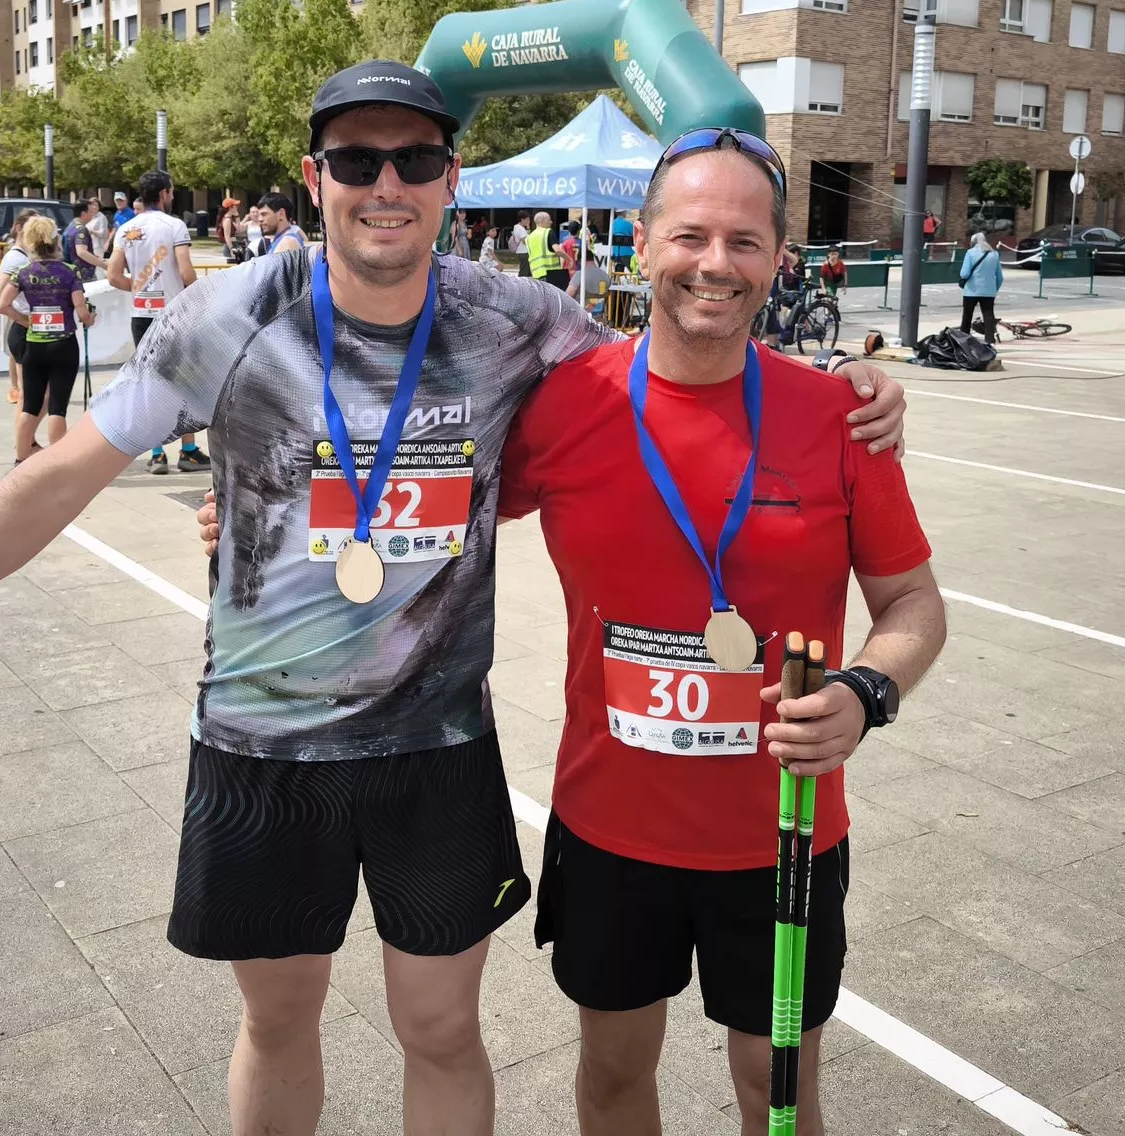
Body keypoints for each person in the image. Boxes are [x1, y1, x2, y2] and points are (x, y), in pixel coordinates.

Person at [0, 62, 906, 1136]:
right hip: (262, 745)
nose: (386, 184)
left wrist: (839, 387)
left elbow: (677, 357)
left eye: (415, 159)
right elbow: (53, 481)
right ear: (315, 179)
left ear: (451, 178)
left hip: (436, 749)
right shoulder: (225, 318)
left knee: (441, 1028)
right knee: (276, 1021)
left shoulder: (515, 320)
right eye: (357, 160)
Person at [190, 128, 919, 1136]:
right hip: (611, 829)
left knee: (776, 1088)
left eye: (744, 242)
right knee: (614, 1077)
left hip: (782, 831)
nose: (714, 263)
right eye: (689, 236)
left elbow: (912, 606)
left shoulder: (839, 415)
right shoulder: (568, 402)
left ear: (777, 259)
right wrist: (263, 513)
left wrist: (867, 691)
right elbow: (433, 490)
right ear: (640, 245)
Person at [107, 171, 209, 475]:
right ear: (164, 193)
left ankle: (157, 453)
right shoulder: (174, 225)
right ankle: (188, 451)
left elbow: (113, 276)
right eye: (172, 191)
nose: (173, 196)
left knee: (149, 386)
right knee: (186, 384)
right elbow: (186, 272)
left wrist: (140, 288)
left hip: (142, 314)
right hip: (174, 315)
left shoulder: (127, 228)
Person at [0, 215, 94, 462]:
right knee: (57, 407)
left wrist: (25, 320)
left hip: (35, 345)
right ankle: (56, 463)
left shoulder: (23, 272)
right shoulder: (69, 272)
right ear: (55, 241)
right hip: (64, 345)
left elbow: (2, 304)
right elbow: (82, 312)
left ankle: (20, 460)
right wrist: (90, 318)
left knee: (29, 405)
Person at [0, 212, 38, 408]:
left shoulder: (23, 255)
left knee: (17, 355)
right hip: (19, 313)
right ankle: (17, 390)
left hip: (21, 313)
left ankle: (17, 389)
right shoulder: (15, 258)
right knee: (18, 355)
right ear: (20, 228)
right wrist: (20, 317)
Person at [958, 229, 1002, 342]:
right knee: (988, 315)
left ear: (973, 242)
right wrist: (994, 289)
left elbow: (964, 273)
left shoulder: (970, 253)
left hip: (971, 290)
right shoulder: (994, 254)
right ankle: (990, 340)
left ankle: (964, 340)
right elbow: (1000, 277)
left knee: (967, 316)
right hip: (989, 291)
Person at [63, 197, 104, 284]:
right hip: (83, 276)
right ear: (83, 213)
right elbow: (81, 252)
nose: (92, 215)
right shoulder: (81, 229)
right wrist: (104, 265)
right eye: (90, 212)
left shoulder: (70, 226)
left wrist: (95, 257)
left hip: (69, 273)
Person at [526, 211, 564, 292]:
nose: (551, 222)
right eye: (549, 220)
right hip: (551, 273)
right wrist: (569, 259)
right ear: (542, 221)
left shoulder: (529, 238)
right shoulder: (548, 232)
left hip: (536, 274)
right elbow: (558, 251)